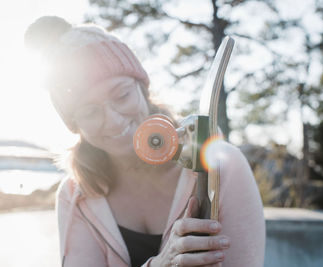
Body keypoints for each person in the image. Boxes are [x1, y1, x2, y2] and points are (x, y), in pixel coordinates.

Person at [24, 16, 265, 267]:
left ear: (143, 89)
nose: (114, 121)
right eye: (89, 111)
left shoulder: (222, 164)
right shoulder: (75, 196)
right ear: (75, 124)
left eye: (122, 95)